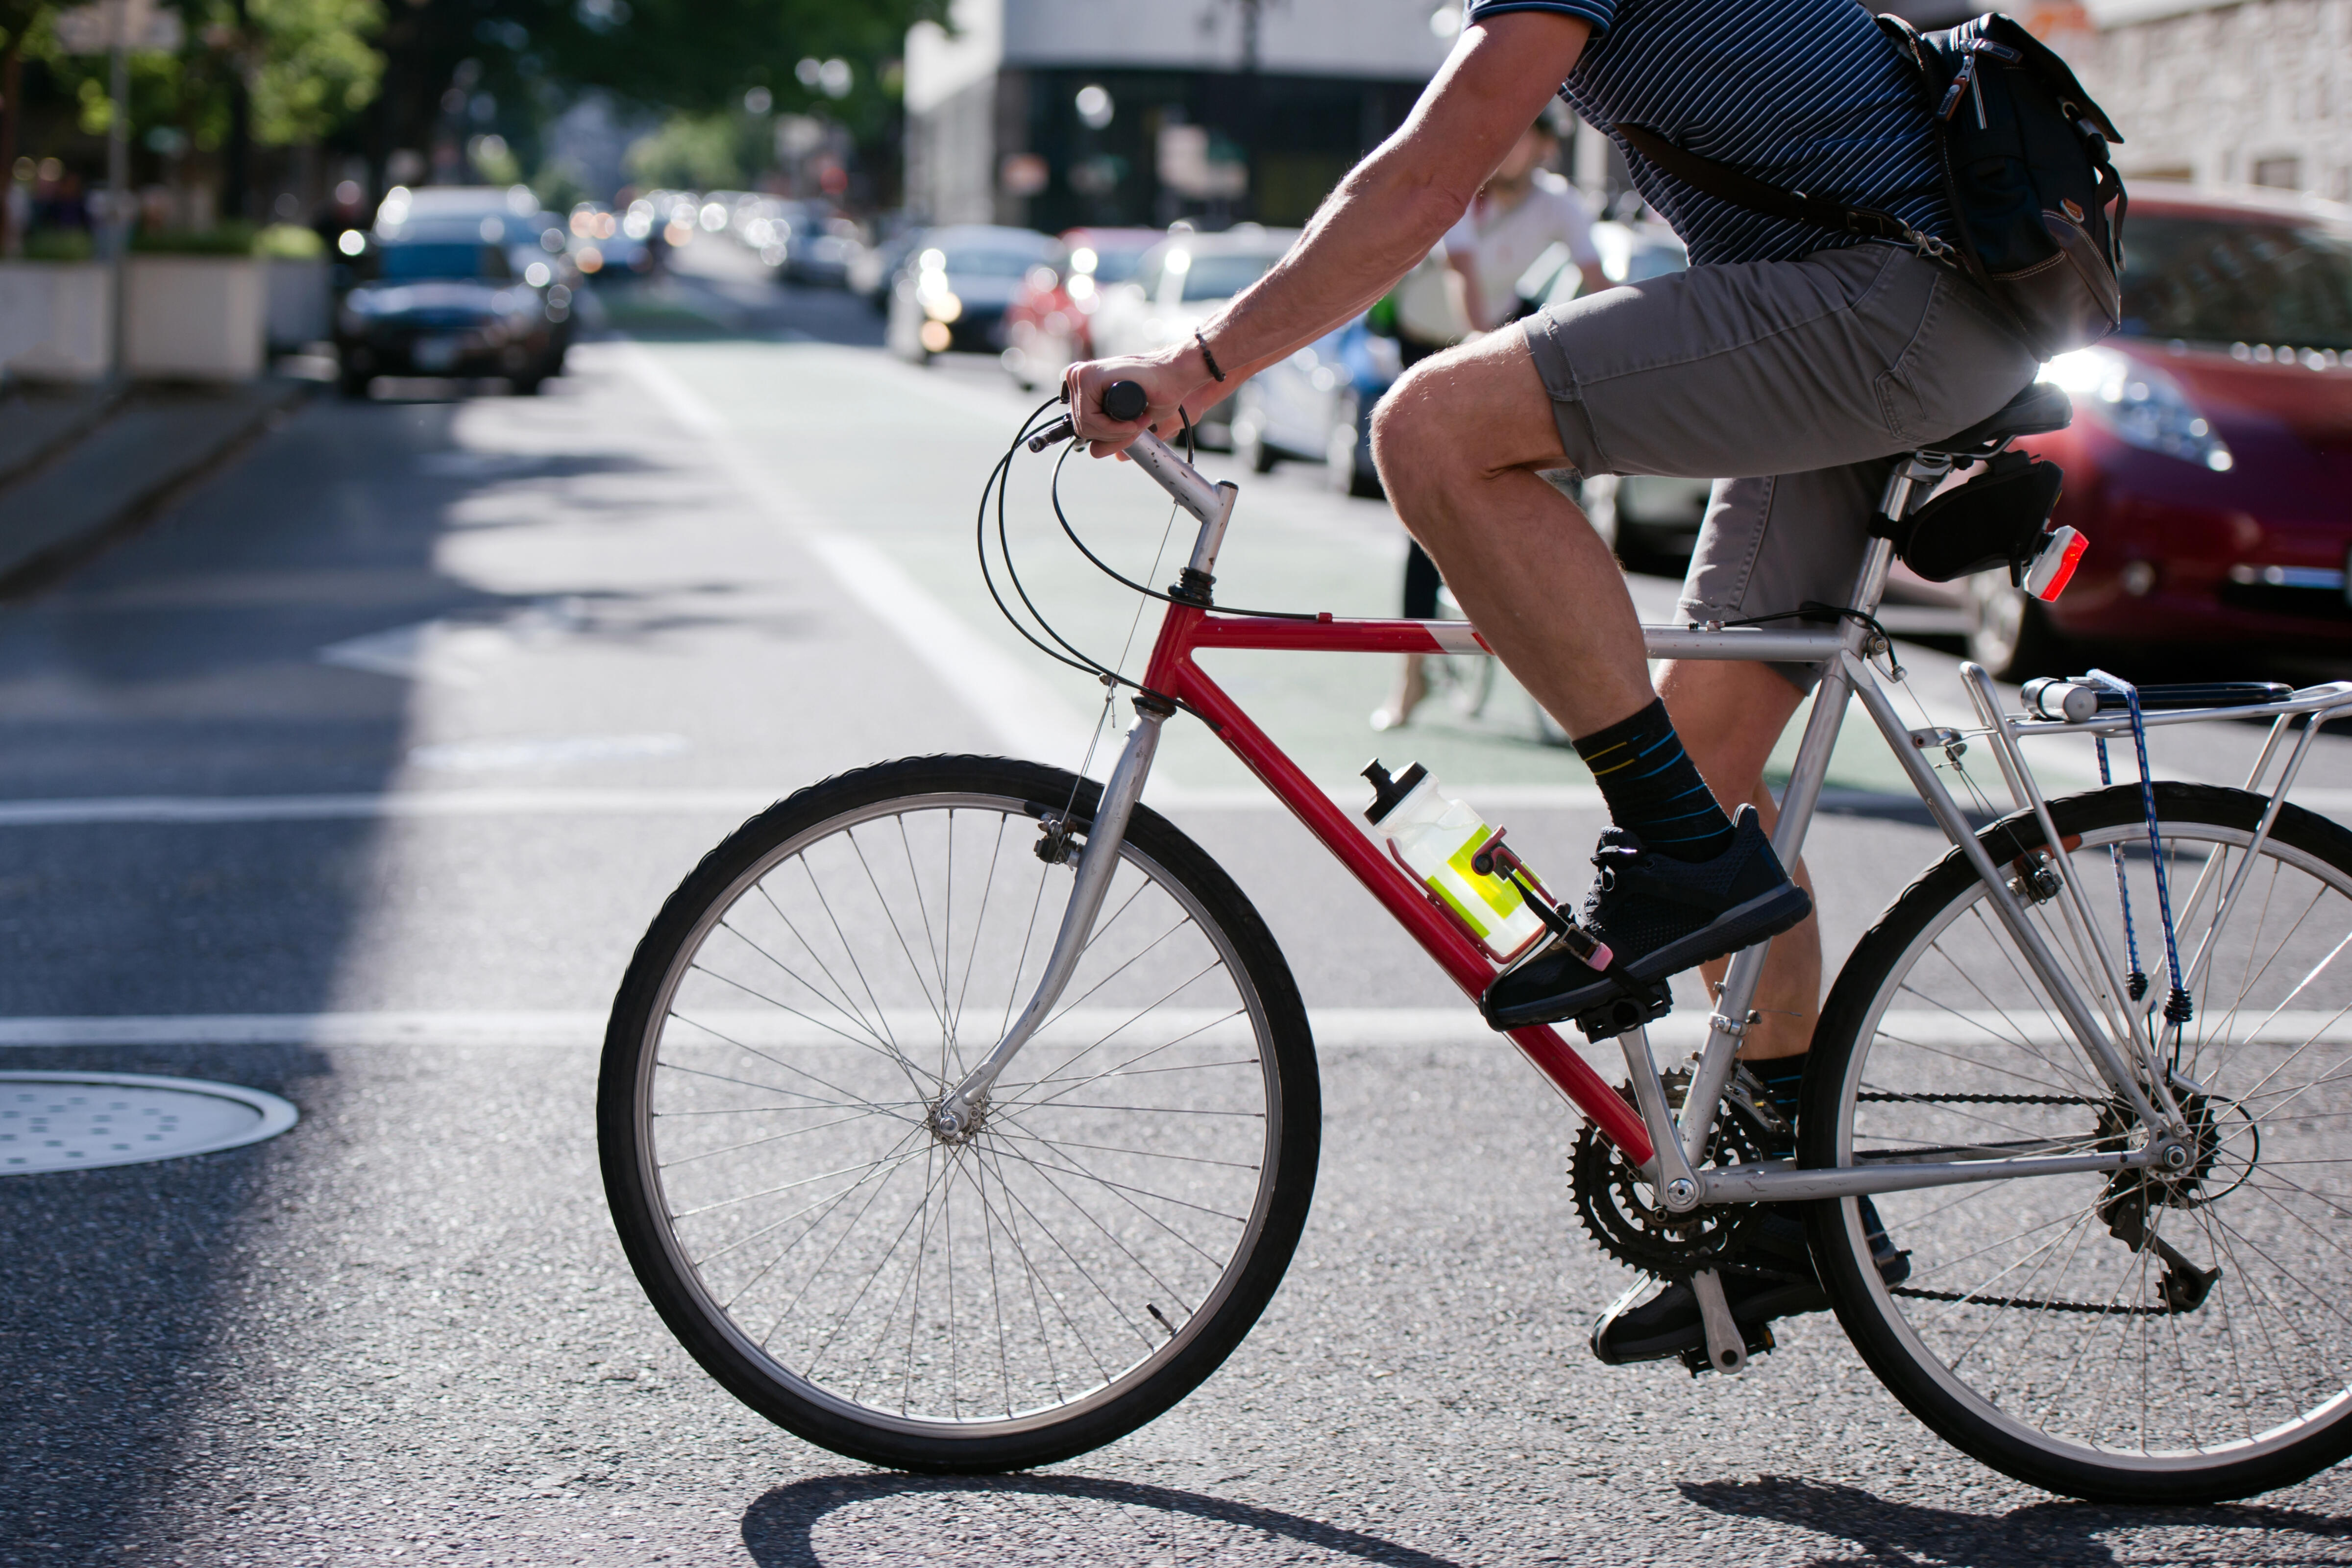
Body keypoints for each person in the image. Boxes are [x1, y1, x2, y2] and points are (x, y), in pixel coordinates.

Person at [1065, 0, 2038, 1366]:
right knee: (1711, 770)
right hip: (1891, 301)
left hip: (1890, 299)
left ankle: (1676, 856)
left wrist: (1198, 366)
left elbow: (1428, 169)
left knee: (1433, 428)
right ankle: (1788, 1215)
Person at [1374, 106, 1608, 732]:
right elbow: (1465, 284)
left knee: (1527, 499)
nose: (1505, 146)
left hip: (1492, 347)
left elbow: (1598, 279)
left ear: (1542, 146)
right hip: (1428, 345)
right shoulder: (1461, 188)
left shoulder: (1556, 203)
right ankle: (1412, 676)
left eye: (1521, 137)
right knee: (1422, 517)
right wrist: (1485, 354)